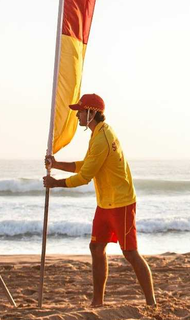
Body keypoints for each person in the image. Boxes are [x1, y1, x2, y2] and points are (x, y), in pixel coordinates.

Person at [43, 93, 157, 307]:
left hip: (121, 203)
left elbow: (85, 177)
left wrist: (55, 183)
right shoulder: (98, 134)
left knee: (130, 253)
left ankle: (151, 304)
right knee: (96, 248)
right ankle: (97, 302)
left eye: (80, 111)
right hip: (105, 203)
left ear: (92, 113)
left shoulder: (103, 138)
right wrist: (56, 164)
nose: (77, 115)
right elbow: (87, 165)